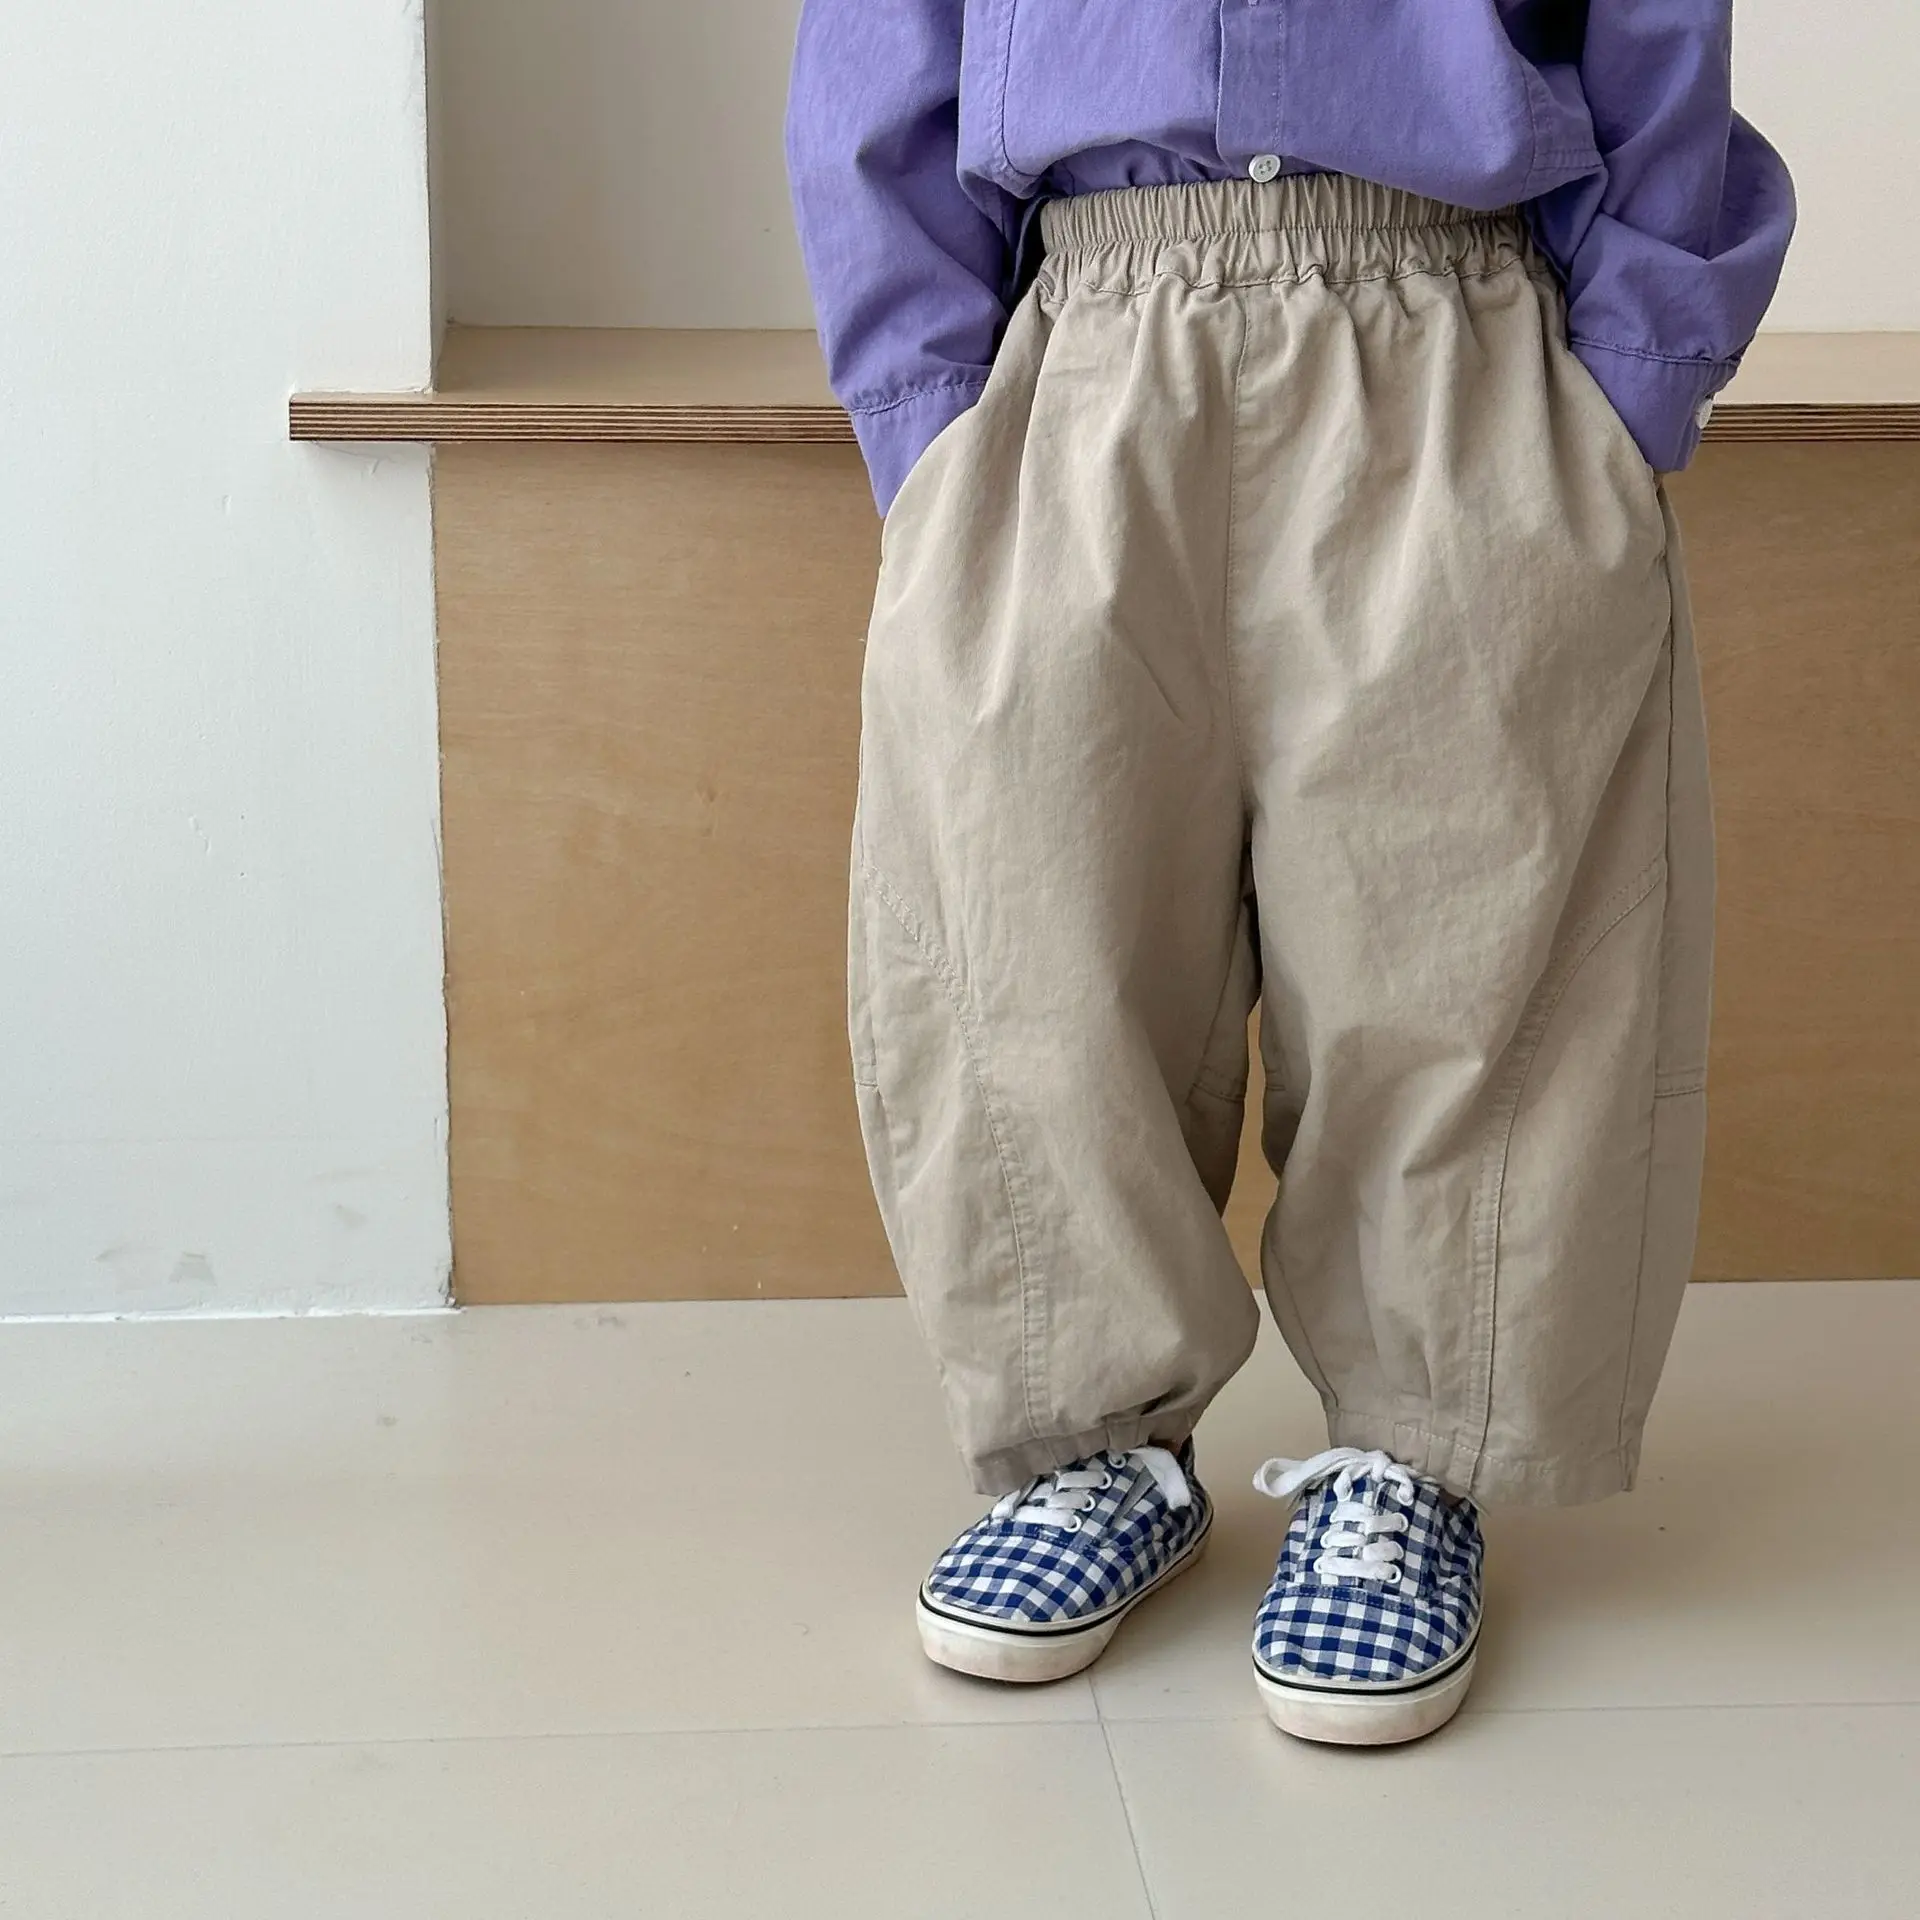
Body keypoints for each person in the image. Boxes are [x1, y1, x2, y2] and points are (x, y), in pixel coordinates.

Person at [784, 3, 1793, 1745]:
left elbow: (1654, 26)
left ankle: (1414, 1456)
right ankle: (1089, 1440)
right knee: (1032, 920)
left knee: (1460, 939)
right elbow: (880, 43)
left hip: (1453, 325)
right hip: (1086, 336)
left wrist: (1629, 385)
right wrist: (932, 425)